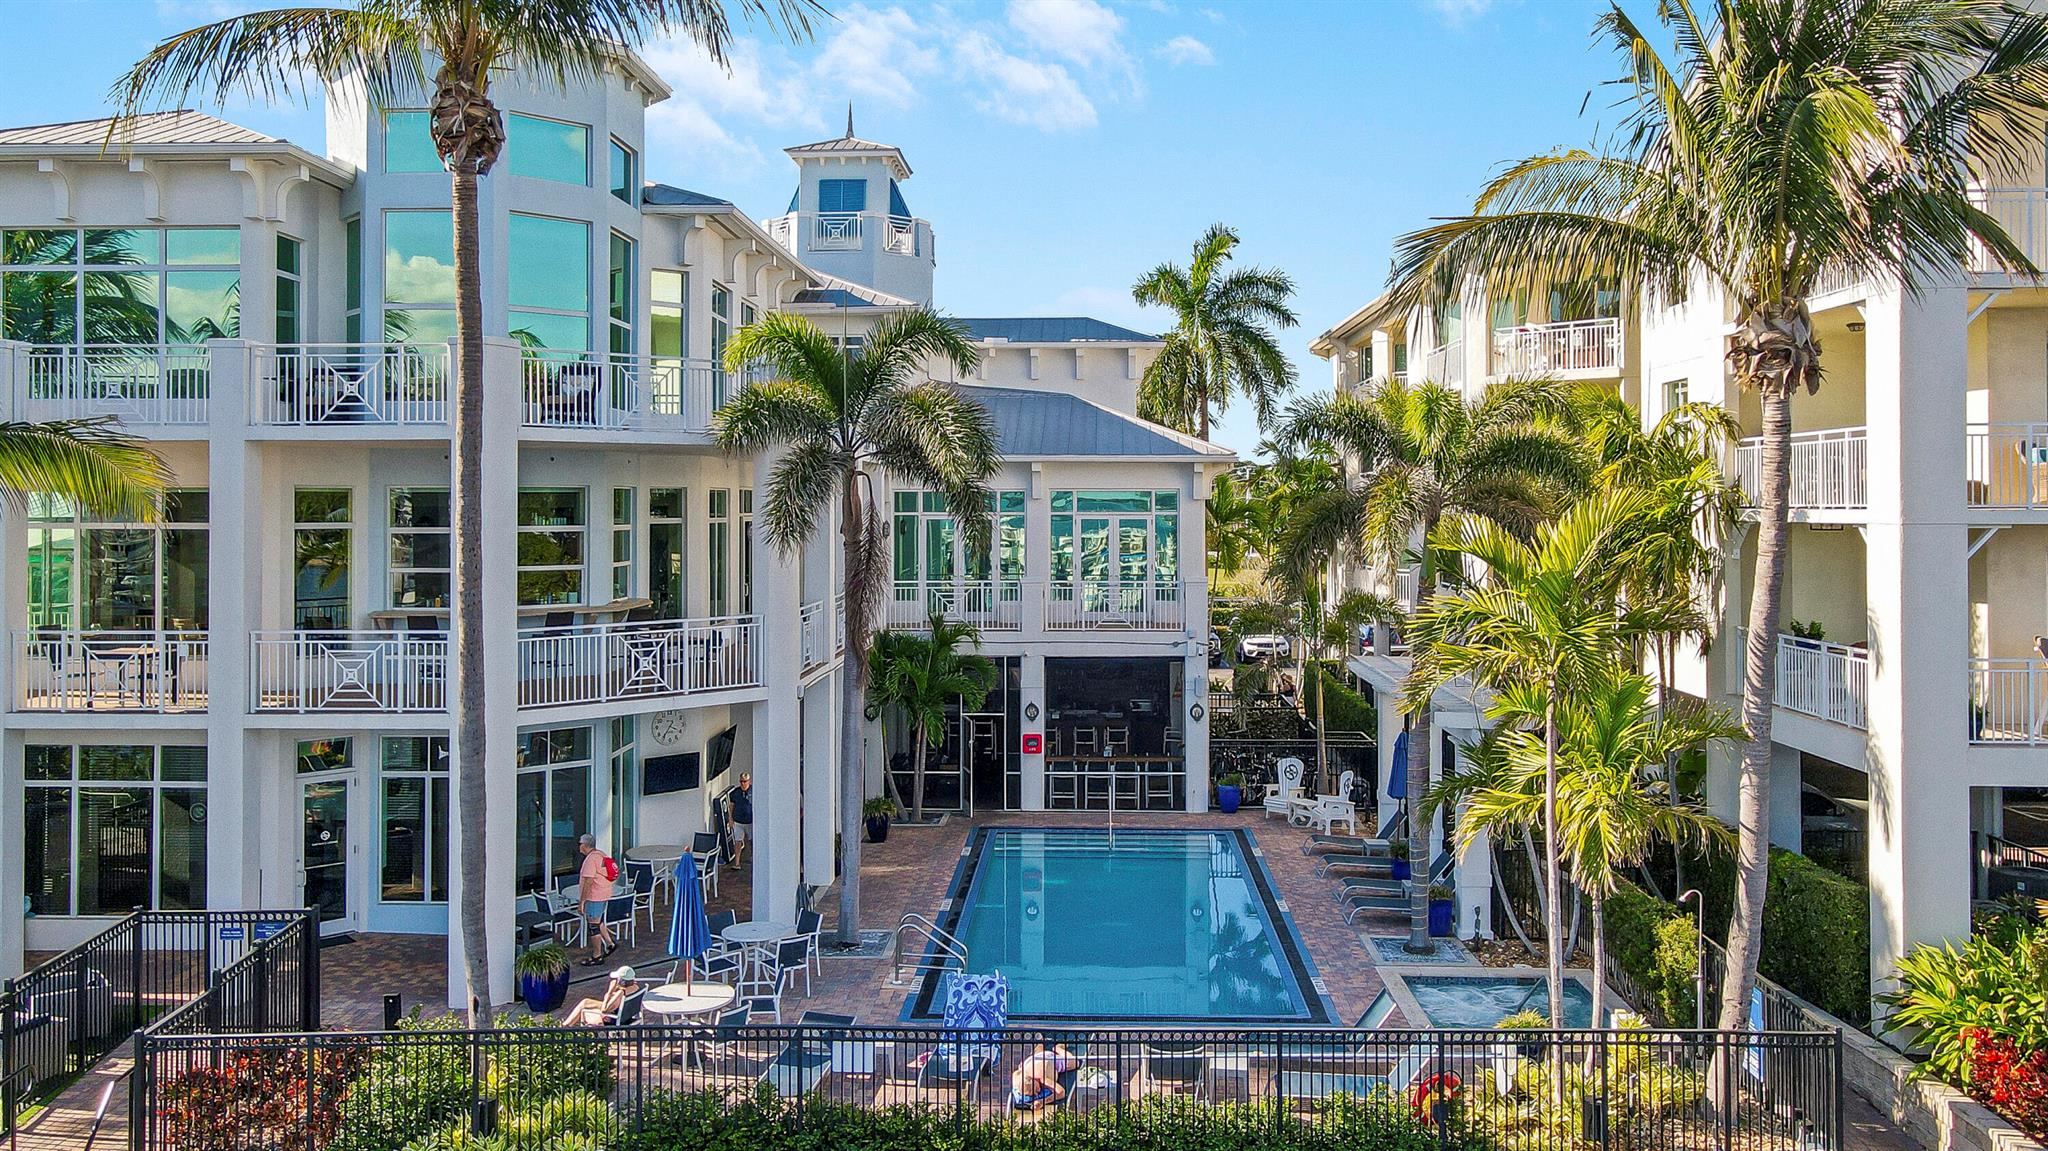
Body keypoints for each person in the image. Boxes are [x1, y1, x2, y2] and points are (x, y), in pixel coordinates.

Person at [577, 833, 616, 965]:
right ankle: (610, 944)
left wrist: (582, 902)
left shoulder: (590, 860)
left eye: (580, 844)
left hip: (595, 896)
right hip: (604, 893)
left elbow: (588, 882)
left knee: (593, 925)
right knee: (598, 921)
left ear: (584, 845)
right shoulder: (601, 854)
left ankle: (597, 955)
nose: (579, 846)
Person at [1009, 1043, 1078, 1111]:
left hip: (1050, 1059)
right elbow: (1015, 1074)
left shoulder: (1043, 1079)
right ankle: (1040, 1044)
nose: (1037, 1093)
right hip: (1032, 1060)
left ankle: (1058, 1048)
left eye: (1036, 1089)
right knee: (1035, 1056)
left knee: (1075, 1063)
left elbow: (1061, 1093)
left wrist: (1042, 1101)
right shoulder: (1016, 1078)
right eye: (1032, 1094)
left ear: (1032, 1079)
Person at [564, 966, 639, 1026]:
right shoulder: (635, 988)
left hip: (615, 1018)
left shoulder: (620, 993)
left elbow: (604, 1009)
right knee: (585, 1002)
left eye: (617, 979)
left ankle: (565, 1027)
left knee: (586, 1011)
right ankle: (566, 1025)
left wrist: (609, 992)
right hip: (626, 1015)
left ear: (621, 981)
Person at [727, 773, 753, 866]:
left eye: (745, 781)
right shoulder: (736, 792)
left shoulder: (753, 791)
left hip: (750, 821)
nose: (743, 783)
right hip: (738, 821)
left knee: (751, 841)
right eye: (741, 781)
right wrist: (730, 818)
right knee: (738, 841)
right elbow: (731, 805)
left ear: (748, 781)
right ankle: (737, 862)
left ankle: (753, 858)